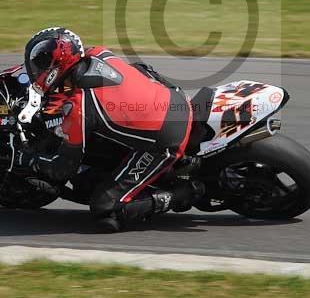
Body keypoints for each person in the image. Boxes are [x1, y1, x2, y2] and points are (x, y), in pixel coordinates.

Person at [15, 27, 203, 232]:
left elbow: (63, 168)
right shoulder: (98, 53)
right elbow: (140, 68)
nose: (36, 70)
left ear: (57, 67)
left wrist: (31, 160)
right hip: (173, 98)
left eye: (40, 66)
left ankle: (182, 193)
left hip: (166, 140)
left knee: (104, 207)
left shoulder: (80, 107)